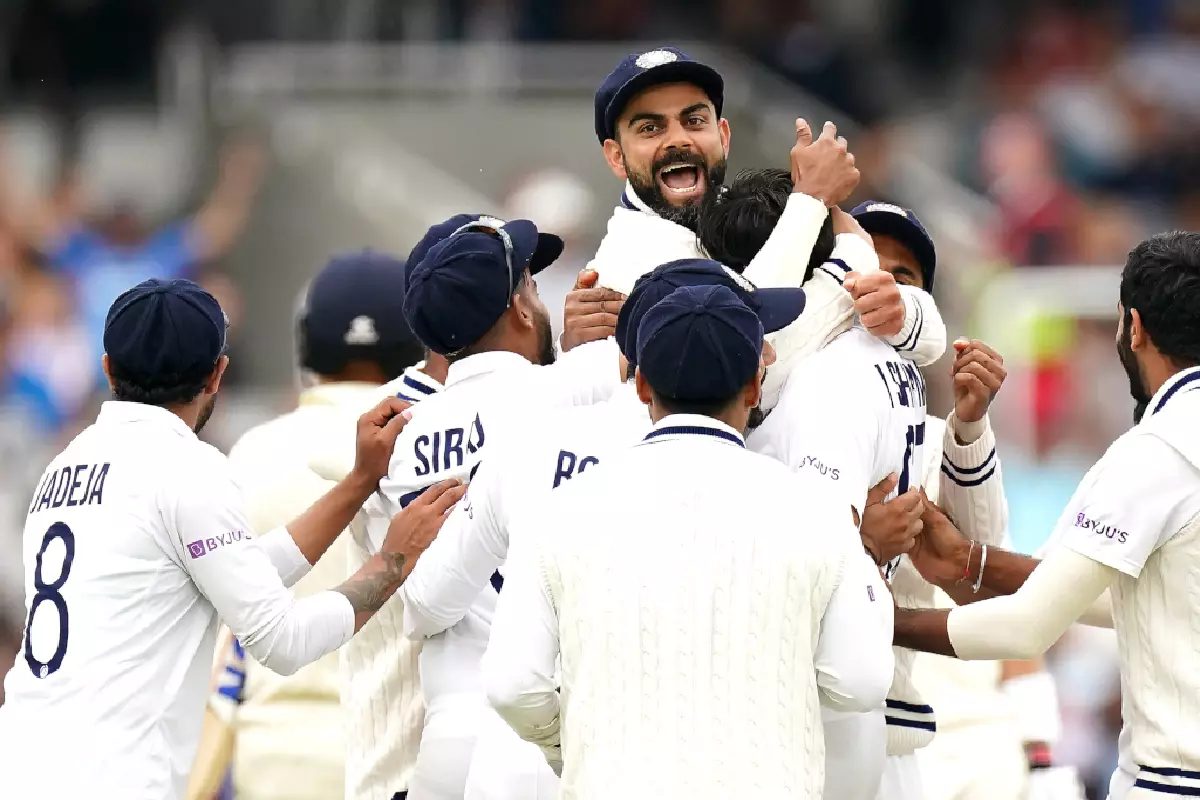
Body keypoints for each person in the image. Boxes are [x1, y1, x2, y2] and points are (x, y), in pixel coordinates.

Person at [0, 277, 463, 800]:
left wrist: (357, 484)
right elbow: (283, 642)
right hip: (114, 781)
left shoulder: (65, 463)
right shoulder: (185, 466)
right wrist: (394, 561)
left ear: (107, 367)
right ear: (218, 372)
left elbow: (234, 575)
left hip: (19, 763)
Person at [399, 258, 810, 799]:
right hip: (652, 765)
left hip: (509, 757)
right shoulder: (761, 479)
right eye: (756, 339)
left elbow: (425, 605)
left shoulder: (531, 444)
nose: (770, 354)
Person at [483, 283, 895, 798]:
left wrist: (565, 744)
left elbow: (512, 685)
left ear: (642, 386)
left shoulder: (559, 511)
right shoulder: (816, 510)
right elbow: (861, 680)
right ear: (753, 386)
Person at [895, 231, 1200, 800]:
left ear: (1133, 327)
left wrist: (878, 623)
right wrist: (972, 560)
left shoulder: (1157, 449)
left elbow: (1027, 626)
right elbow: (1126, 597)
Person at [361, 215, 626, 799]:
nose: (540, 298)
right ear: (520, 310)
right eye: (531, 285)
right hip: (540, 730)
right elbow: (695, 342)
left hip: (448, 735)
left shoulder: (404, 434)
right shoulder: (563, 387)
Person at [696, 171, 937, 800]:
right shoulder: (877, 351)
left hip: (811, 705)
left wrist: (861, 548)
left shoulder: (824, 382)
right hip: (852, 710)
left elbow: (821, 565)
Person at [850, 200, 1081, 800]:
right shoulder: (772, 410)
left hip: (949, 746)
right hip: (829, 733)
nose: (881, 287)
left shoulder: (942, 440)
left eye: (903, 278)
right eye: (863, 264)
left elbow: (980, 573)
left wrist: (1041, 755)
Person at [187, 251, 433, 800]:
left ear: (306, 344)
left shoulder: (251, 454)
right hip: (396, 757)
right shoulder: (436, 451)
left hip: (271, 761)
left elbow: (221, 649)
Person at [586, 48, 947, 414]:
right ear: (617, 156)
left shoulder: (744, 211)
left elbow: (933, 336)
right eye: (651, 128)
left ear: (723, 136)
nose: (678, 140)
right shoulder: (620, 265)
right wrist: (838, 243)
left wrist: (901, 311)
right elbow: (746, 366)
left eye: (694, 121)